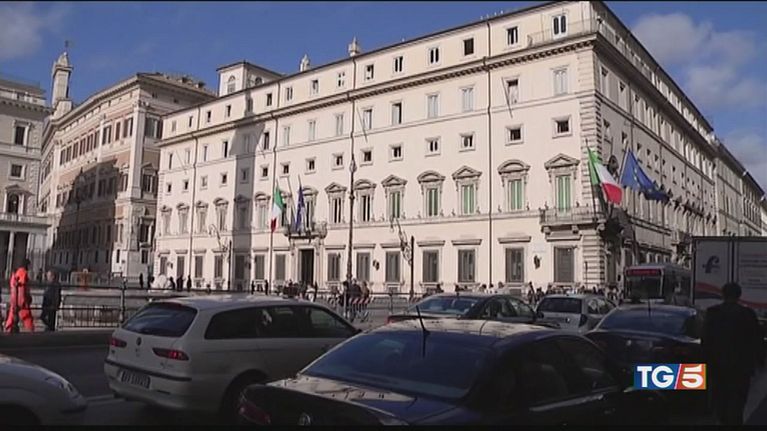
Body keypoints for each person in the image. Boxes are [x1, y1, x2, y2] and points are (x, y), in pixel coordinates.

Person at [702, 282, 765, 425]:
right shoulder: (747, 314)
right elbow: (757, 339)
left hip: (718, 367)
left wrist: (706, 362)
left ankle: (724, 420)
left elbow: (706, 340)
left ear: (723, 295)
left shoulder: (713, 313)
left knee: (721, 401)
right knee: (738, 402)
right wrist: (759, 360)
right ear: (739, 295)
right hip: (741, 368)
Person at [5, 259, 34, 333]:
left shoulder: (16, 273)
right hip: (21, 298)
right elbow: (22, 285)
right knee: (26, 315)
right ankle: (31, 330)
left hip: (14, 297)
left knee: (12, 315)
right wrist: (26, 298)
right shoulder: (23, 272)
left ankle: (8, 328)